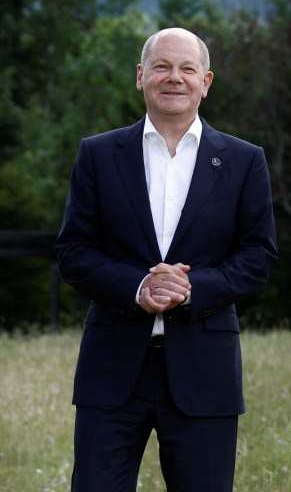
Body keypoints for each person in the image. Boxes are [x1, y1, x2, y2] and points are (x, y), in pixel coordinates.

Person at [55, 27, 278, 491]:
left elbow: (258, 256)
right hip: (112, 371)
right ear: (140, 76)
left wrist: (190, 289)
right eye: (161, 67)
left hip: (205, 370)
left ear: (206, 81)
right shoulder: (98, 154)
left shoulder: (244, 160)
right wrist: (139, 288)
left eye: (186, 69)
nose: (173, 78)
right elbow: (74, 251)